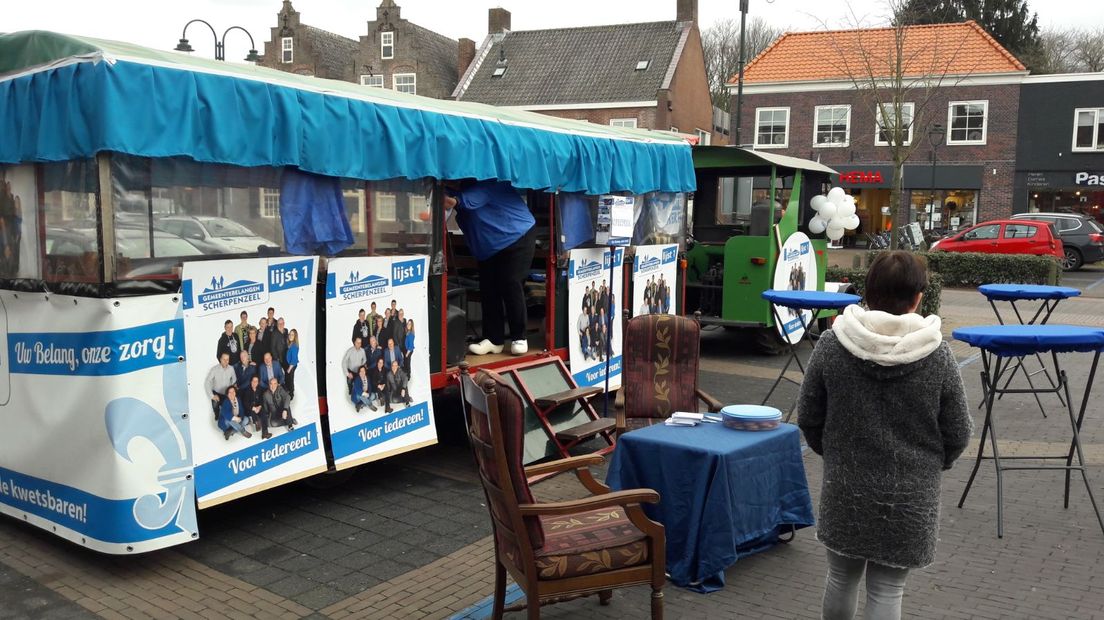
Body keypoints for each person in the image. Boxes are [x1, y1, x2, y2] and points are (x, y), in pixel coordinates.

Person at [797, 251, 972, 620]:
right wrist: (931, 465)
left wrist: (835, 452)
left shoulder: (832, 345)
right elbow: (958, 431)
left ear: (867, 291)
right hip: (911, 492)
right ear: (918, 297)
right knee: (888, 589)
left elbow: (809, 417)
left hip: (846, 484)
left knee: (840, 578)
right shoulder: (937, 354)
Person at [444, 179, 536, 356]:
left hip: (517, 236)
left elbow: (469, 199)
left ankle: (519, 337)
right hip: (488, 245)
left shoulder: (488, 182)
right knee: (488, 289)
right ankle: (494, 340)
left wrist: (452, 201)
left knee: (510, 283)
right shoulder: (453, 188)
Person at [204, 353, 236, 420]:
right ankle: (217, 414)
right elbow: (207, 382)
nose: (225, 361)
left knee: (229, 407)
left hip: (226, 393)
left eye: (227, 359)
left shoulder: (231, 368)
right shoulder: (214, 369)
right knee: (215, 405)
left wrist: (231, 387)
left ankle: (225, 415)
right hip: (217, 393)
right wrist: (212, 396)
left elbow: (234, 379)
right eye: (224, 359)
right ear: (220, 359)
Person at [242, 374, 270, 439]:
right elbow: (245, 403)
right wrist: (254, 408)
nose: (255, 383)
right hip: (249, 408)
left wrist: (259, 407)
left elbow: (262, 400)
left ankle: (265, 433)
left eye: (256, 381)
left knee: (263, 413)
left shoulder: (260, 389)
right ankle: (256, 422)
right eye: (253, 381)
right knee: (252, 412)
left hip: (258, 407)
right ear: (251, 381)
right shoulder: (246, 390)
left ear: (258, 382)